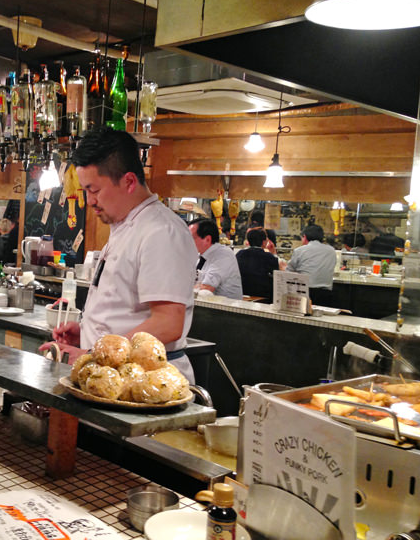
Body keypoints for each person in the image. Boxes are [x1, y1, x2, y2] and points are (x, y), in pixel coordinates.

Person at [42, 127, 198, 381]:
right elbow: (124, 309)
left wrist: (93, 353)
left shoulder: (161, 232)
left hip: (144, 380)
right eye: (85, 191)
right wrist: (86, 333)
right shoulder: (125, 226)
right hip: (113, 374)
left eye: (94, 190)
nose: (89, 201)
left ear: (128, 182)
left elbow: (168, 323)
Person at [188, 218, 243, 300]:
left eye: (191, 238)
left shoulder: (224, 254)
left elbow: (206, 289)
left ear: (207, 239)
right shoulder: (200, 256)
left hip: (225, 310)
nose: (187, 241)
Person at [286, 224, 337, 307]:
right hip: (326, 294)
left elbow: (289, 271)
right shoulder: (331, 250)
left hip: (305, 294)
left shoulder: (300, 250)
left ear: (304, 237)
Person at [236, 228, 280, 301]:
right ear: (263, 242)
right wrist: (274, 254)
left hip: (242, 291)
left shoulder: (240, 254)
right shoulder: (268, 256)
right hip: (263, 295)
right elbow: (277, 273)